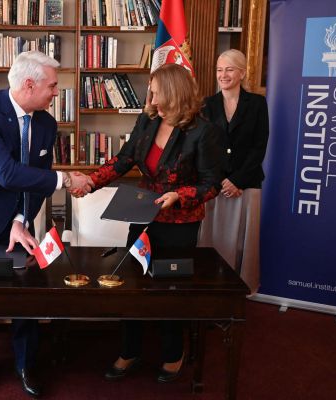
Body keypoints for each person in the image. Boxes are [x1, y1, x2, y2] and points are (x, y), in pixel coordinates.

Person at [0, 51, 93, 397]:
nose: (56, 92)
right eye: (52, 86)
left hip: (17, 217)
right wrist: (66, 180)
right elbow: (7, 173)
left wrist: (21, 219)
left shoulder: (46, 124)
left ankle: (26, 363)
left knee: (26, 290)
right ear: (29, 84)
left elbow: (35, 180)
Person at [82, 63, 222, 383]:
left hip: (180, 221)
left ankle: (173, 353)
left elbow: (211, 184)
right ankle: (130, 350)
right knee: (133, 283)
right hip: (143, 214)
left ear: (173, 92)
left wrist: (179, 195)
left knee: (170, 288)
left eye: (156, 92)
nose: (151, 98)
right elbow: (124, 160)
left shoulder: (203, 131)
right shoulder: (147, 120)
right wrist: (90, 182)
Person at [198, 49, 269, 294]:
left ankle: (241, 290)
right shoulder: (206, 104)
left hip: (247, 183)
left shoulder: (257, 103)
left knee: (243, 243)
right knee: (214, 239)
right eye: (219, 70)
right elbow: (203, 148)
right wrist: (221, 180)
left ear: (242, 73)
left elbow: (259, 146)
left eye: (229, 69)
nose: (223, 75)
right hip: (215, 185)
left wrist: (236, 180)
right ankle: (210, 288)